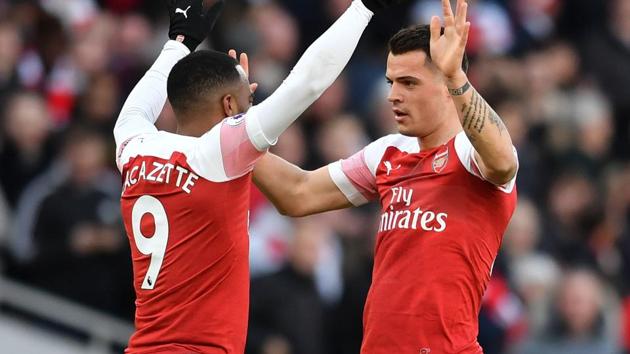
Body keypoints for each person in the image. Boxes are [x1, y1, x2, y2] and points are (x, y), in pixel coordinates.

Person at [113, 0, 405, 352]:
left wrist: (178, 43)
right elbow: (307, 83)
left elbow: (140, 104)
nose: (251, 104)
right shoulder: (216, 155)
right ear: (228, 107)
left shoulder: (133, 146)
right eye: (246, 99)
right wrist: (362, 9)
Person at [253, 0, 519, 352]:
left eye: (409, 83)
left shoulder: (472, 154)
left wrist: (457, 76)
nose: (393, 96)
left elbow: (503, 162)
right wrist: (236, 135)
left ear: (446, 86)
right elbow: (298, 193)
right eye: (391, 82)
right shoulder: (390, 152)